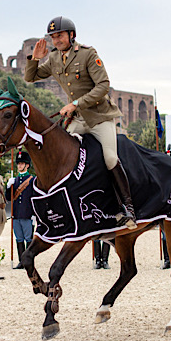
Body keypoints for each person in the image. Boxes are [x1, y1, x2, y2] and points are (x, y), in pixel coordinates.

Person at [25, 16, 136, 229]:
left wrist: (75, 103)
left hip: (99, 117)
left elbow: (103, 85)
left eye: (60, 35)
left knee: (110, 158)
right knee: (63, 155)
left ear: (71, 35)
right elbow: (31, 78)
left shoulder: (87, 53)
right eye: (53, 37)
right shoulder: (55, 58)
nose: (56, 40)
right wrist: (34, 58)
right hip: (77, 120)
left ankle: (128, 208)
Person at [5, 150, 35, 270]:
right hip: (16, 214)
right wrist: (8, 187)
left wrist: (34, 214)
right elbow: (9, 198)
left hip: (27, 214)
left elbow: (34, 198)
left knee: (29, 239)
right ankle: (21, 261)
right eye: (18, 164)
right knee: (19, 239)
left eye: (22, 163)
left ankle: (29, 261)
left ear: (27, 165)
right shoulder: (14, 181)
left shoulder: (32, 180)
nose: (19, 166)